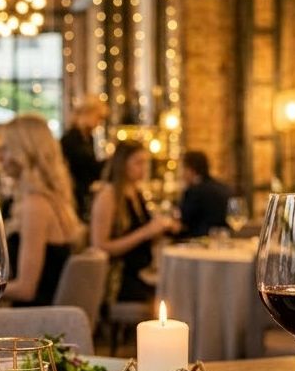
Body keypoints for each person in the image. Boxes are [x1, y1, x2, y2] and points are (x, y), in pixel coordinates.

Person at [0, 115, 82, 306]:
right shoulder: (50, 199)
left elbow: (26, 289)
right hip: (43, 314)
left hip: (34, 317)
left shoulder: (35, 205)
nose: (0, 156)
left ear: (23, 153)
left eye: (5, 148)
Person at [90, 139, 175, 302]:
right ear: (123, 164)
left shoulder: (136, 192)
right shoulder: (108, 195)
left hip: (142, 271)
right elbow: (99, 246)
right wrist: (145, 233)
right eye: (138, 163)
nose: (144, 168)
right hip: (119, 277)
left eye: (145, 163)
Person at [61, 101, 106, 218]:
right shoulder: (71, 138)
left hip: (84, 191)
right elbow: (84, 166)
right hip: (74, 192)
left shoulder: (88, 137)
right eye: (98, 117)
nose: (99, 123)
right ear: (87, 114)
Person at [177, 150, 231, 238]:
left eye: (183, 169)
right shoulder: (222, 187)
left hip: (197, 242)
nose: (182, 174)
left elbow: (183, 223)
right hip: (223, 239)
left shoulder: (193, 191)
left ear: (191, 170)